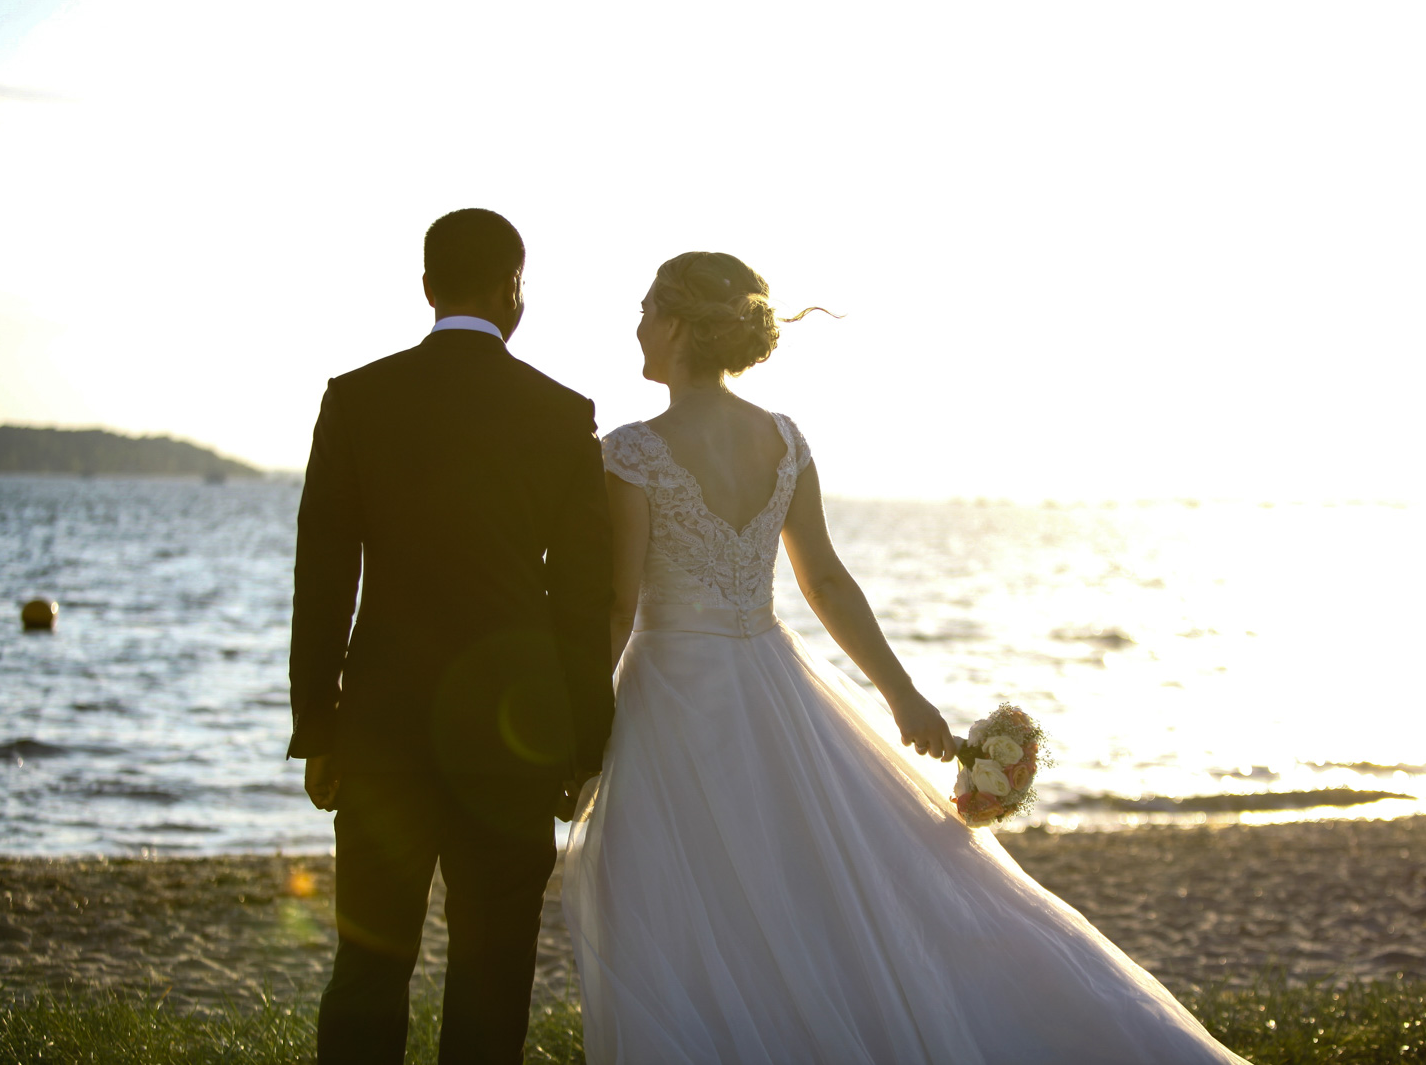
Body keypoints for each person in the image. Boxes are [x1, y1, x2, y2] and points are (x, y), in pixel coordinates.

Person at [562, 251, 1249, 1063]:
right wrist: (902, 696)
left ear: (676, 323)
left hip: (674, 699)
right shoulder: (782, 439)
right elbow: (825, 579)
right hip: (773, 687)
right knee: (799, 883)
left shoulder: (634, 450)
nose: (636, 324)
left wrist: (578, 735)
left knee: (677, 902)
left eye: (645, 308)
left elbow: (617, 605)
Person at [288, 208, 613, 1064]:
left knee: (369, 959)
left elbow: (323, 578)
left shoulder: (356, 399)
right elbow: (582, 597)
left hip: (383, 728)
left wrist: (319, 726)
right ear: (514, 289)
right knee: (494, 965)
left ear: (427, 288)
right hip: (514, 735)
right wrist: (584, 742)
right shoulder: (561, 413)